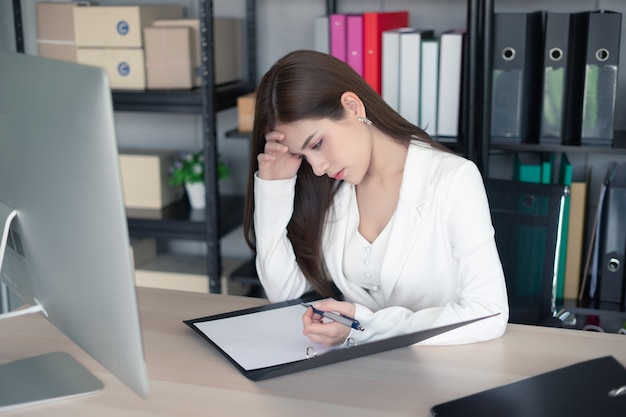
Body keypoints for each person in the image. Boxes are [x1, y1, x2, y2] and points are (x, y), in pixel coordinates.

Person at [243, 50, 508, 347]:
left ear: (352, 107)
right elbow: (283, 291)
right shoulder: (333, 189)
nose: (317, 168)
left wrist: (364, 325)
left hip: (446, 371)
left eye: (317, 144)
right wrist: (274, 186)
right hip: (362, 374)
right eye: (301, 155)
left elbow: (489, 314)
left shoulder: (454, 179)